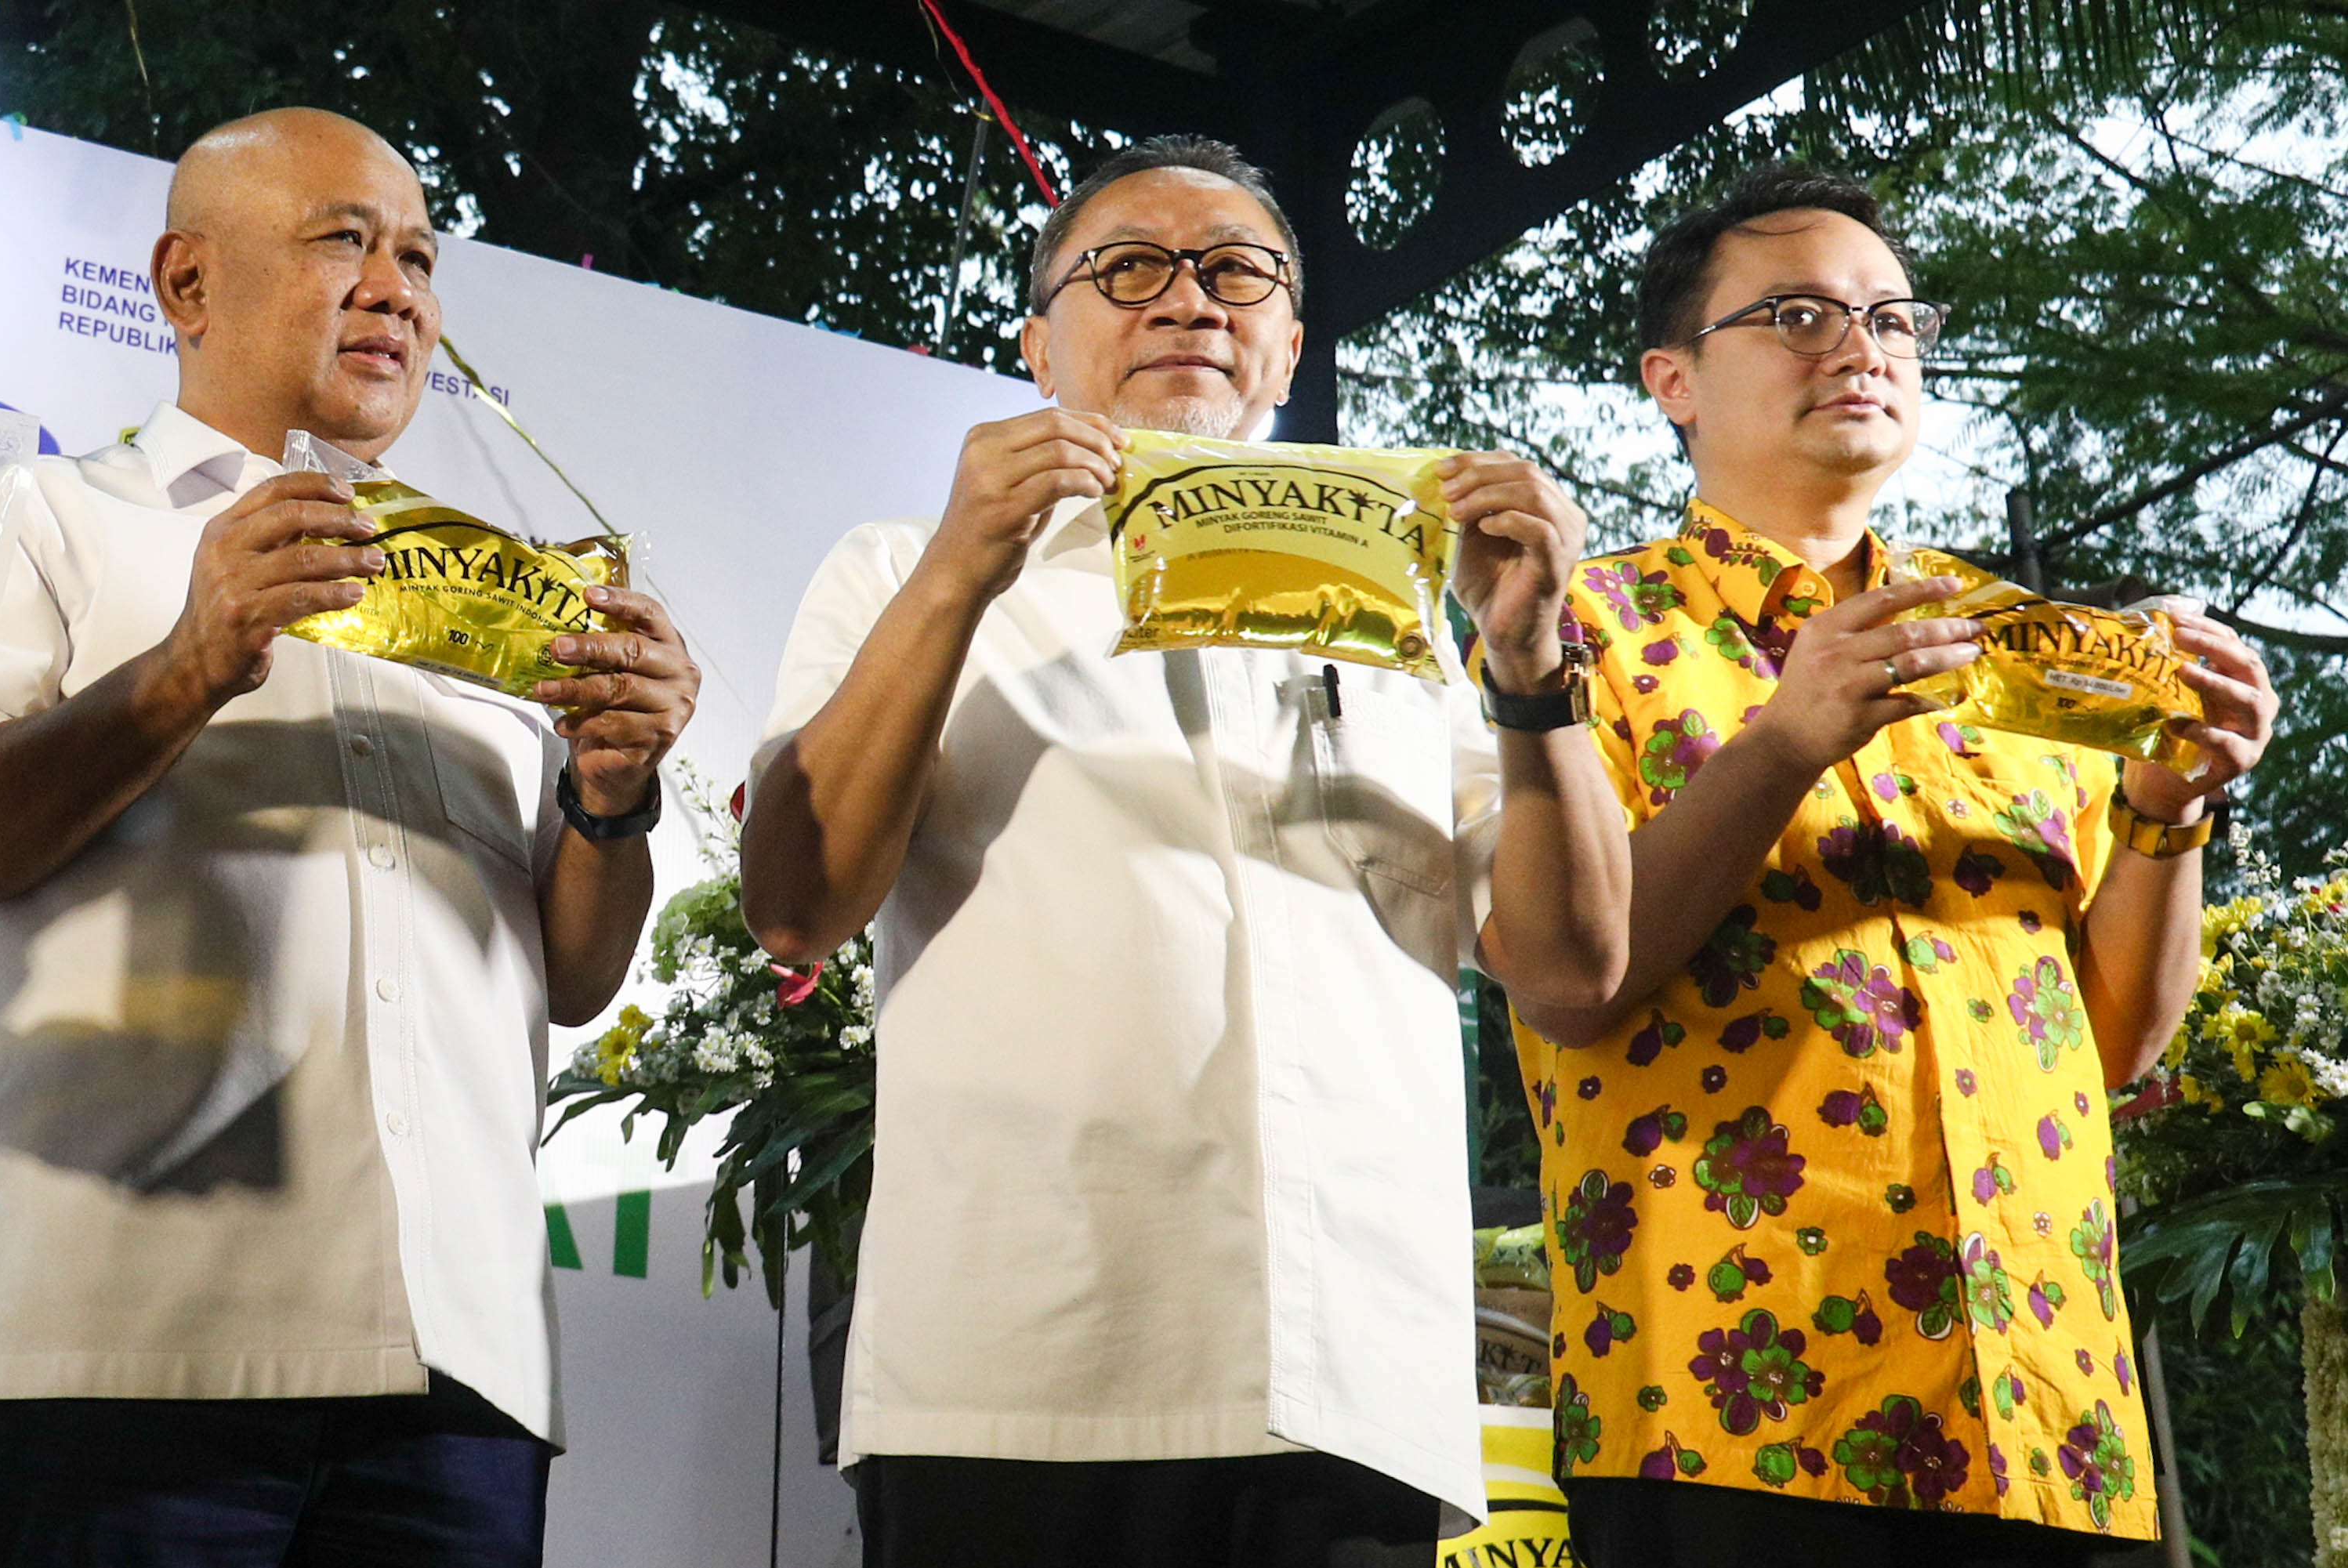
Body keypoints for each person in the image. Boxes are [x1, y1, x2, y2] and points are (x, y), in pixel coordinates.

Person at [740, 135, 1632, 1567]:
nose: (1188, 303)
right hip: (1017, 1374)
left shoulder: (1411, 629)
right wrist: (965, 562)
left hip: (1355, 1383)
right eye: (1129, 269)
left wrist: (1528, 662)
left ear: (1284, 349)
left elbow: (1575, 968)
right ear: (1040, 344)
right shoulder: (904, 569)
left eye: (1237, 274)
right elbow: (794, 901)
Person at [1510, 166, 2277, 1566]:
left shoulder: (2023, 648)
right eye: (1799, 313)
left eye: (1892, 320)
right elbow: (1570, 978)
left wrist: (2171, 806)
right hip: (1742, 1402)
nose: (1860, 347)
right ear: (1671, 379)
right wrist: (1788, 738)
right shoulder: (1569, 632)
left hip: (2059, 1410)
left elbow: (2112, 1043)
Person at [0, 108, 699, 1563]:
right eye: (345, 241)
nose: (400, 290)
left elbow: (566, 975)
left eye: (423, 260)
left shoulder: (490, 606)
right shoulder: (49, 516)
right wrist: (192, 659)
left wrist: (610, 791)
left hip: (461, 1376)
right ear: (186, 285)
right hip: (126, 1346)